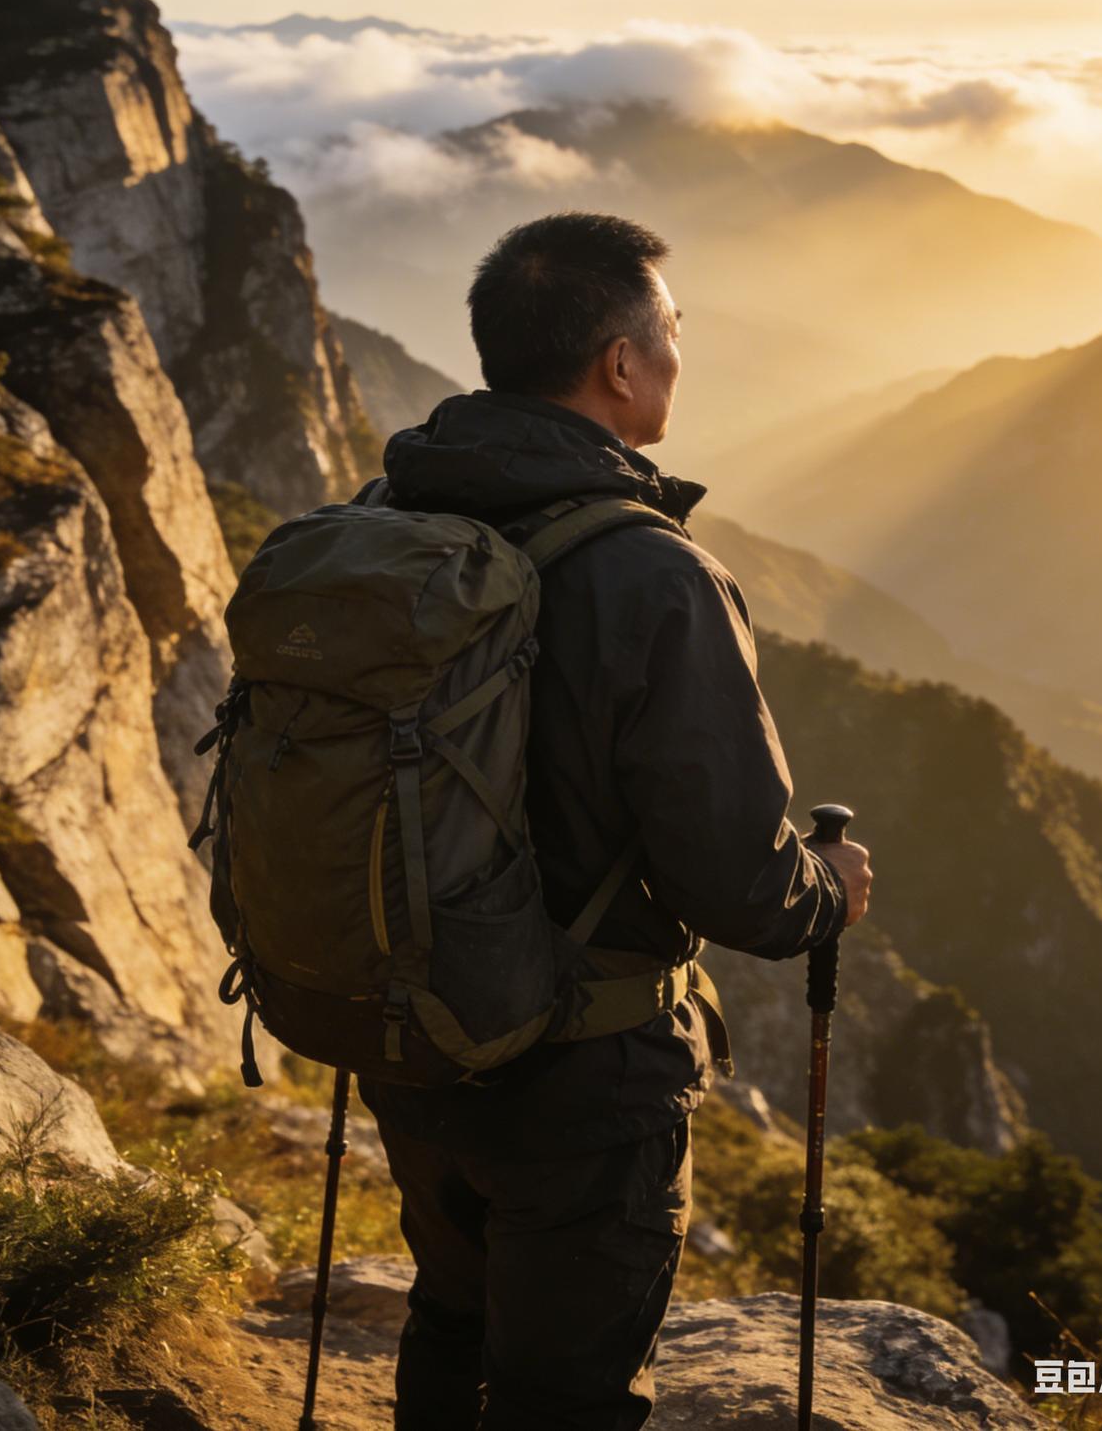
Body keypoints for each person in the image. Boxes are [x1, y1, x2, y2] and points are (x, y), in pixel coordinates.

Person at [356, 211, 873, 1431]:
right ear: (621, 366)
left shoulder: (391, 511)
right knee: (566, 1391)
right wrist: (826, 890)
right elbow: (735, 878)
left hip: (409, 1030)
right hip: (581, 1077)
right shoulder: (653, 573)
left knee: (451, 1316)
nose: (680, 354)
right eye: (672, 331)